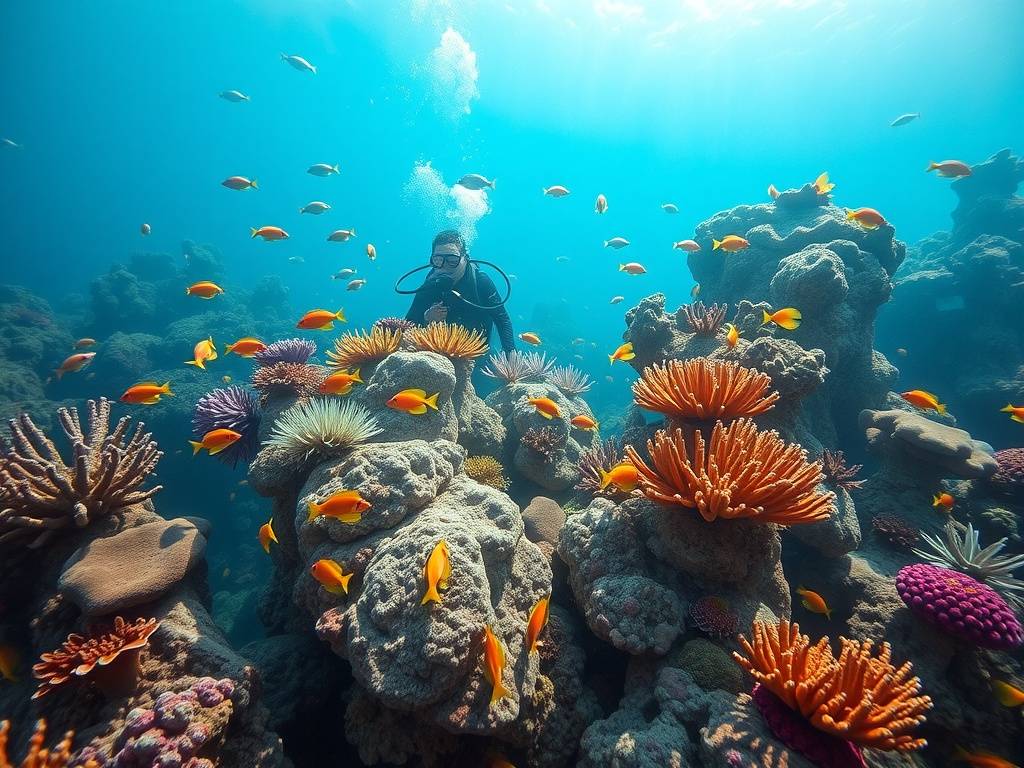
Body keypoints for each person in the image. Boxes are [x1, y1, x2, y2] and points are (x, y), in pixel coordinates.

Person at [405, 230, 516, 354]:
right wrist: (426, 317)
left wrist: (510, 354)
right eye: (438, 260)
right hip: (439, 350)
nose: (444, 267)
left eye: (452, 260)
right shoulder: (431, 284)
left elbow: (502, 319)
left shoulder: (480, 281)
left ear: (465, 258)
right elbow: (409, 323)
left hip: (476, 349)